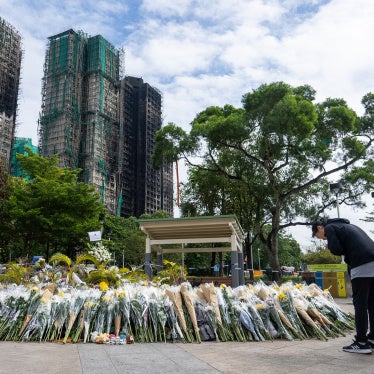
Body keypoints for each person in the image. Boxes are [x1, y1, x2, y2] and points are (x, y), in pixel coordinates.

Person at [312, 217, 374, 354]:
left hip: (361, 263)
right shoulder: (347, 226)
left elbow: (337, 249)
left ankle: (361, 343)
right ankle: (372, 339)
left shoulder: (330, 228)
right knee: (371, 303)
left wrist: (330, 247)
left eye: (321, 237)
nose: (323, 239)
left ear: (319, 228)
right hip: (372, 260)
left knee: (360, 305)